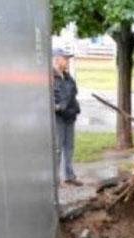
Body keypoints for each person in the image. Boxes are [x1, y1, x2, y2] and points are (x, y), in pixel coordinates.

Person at [52, 48, 82, 186]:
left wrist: (70, 108)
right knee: (57, 148)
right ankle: (55, 179)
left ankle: (69, 176)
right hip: (58, 118)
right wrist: (58, 107)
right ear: (57, 59)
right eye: (65, 58)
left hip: (70, 116)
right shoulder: (50, 77)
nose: (68, 61)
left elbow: (73, 92)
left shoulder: (68, 76)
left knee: (69, 147)